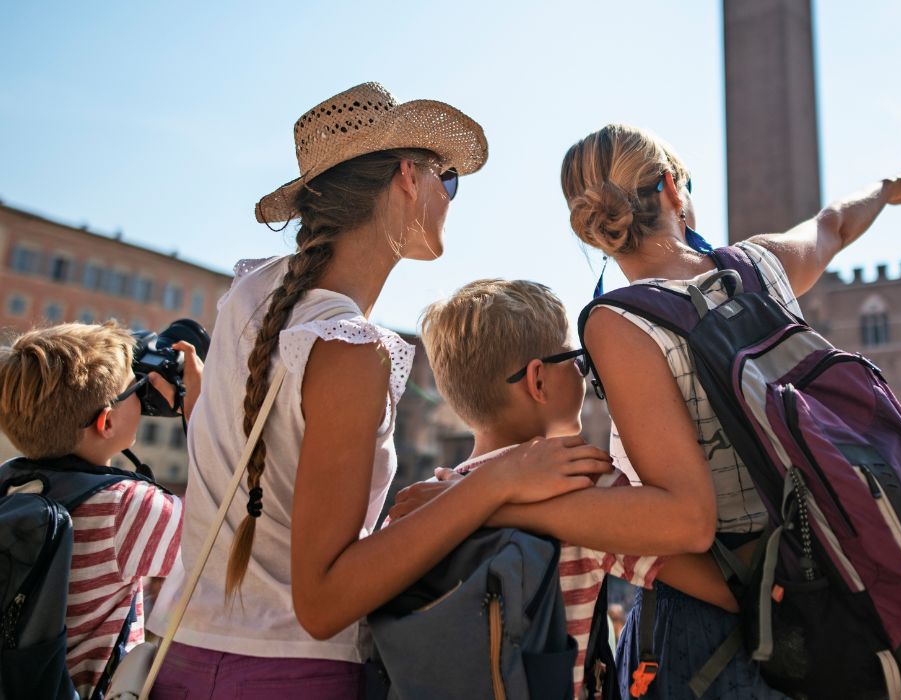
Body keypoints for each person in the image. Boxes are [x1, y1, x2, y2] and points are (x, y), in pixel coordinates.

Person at [145, 83, 614, 699]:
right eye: (446, 178)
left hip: (181, 656)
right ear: (405, 178)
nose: (450, 198)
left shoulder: (250, 296)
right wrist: (496, 482)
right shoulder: (349, 348)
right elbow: (324, 601)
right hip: (290, 674)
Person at [532, 123, 901, 697]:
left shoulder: (619, 323)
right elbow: (834, 225)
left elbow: (685, 522)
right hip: (825, 585)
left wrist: (515, 501)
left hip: (714, 620)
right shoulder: (761, 265)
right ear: (672, 189)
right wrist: (886, 187)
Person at [400, 278, 739, 694]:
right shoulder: (579, 482)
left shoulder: (428, 500)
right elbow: (721, 590)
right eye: (577, 360)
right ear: (538, 380)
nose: (585, 371)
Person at [0, 322, 198, 698]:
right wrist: (199, 410)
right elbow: (224, 536)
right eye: (137, 389)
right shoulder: (126, 507)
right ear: (106, 421)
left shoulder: (7, 480)